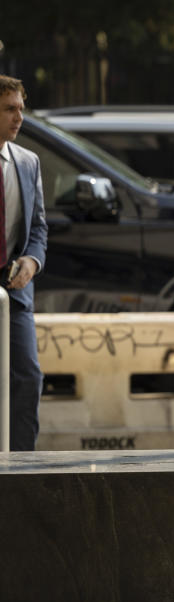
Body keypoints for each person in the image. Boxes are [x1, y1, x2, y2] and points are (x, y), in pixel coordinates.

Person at [0, 75, 48, 451]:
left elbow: (38, 229)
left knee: (27, 376)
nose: (19, 118)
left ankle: (21, 467)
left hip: (14, 287)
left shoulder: (28, 162)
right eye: (9, 110)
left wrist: (31, 261)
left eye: (21, 109)